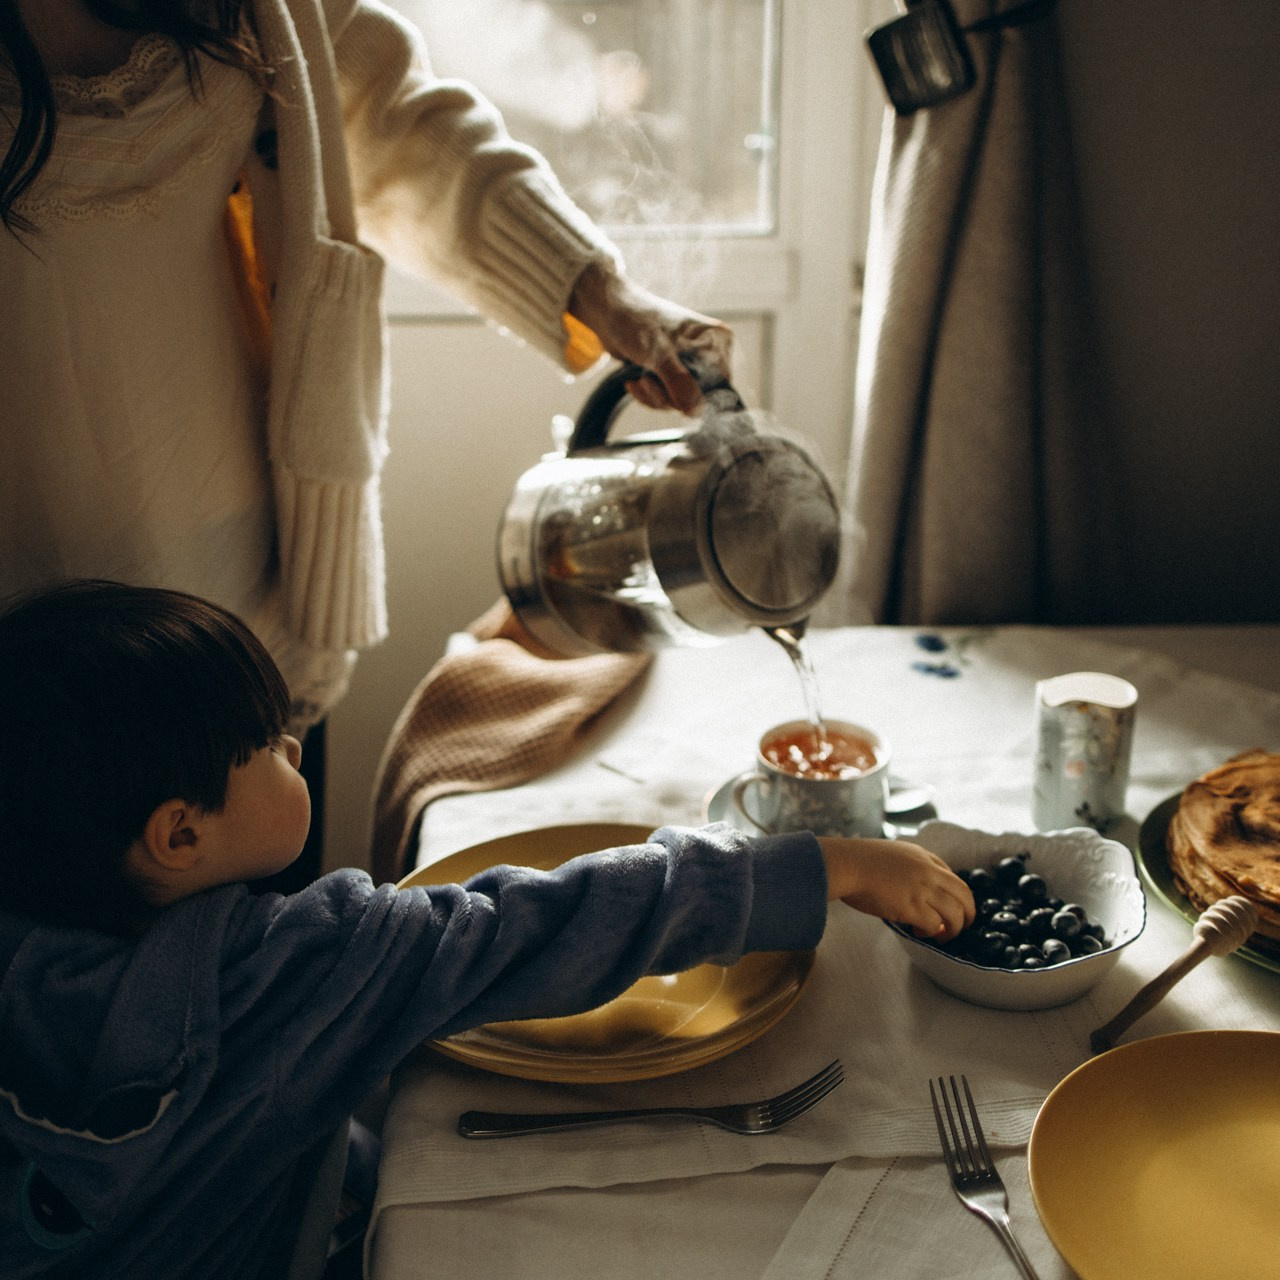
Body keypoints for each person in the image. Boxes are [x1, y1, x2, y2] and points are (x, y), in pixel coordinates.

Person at [0, 578, 974, 1279]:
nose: (293, 744)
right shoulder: (313, 958)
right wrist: (825, 865)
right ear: (179, 833)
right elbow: (553, 922)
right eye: (263, 746)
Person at [0, 0, 734, 887]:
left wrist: (605, 294)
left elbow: (406, 124)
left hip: (255, 591)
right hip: (33, 653)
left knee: (280, 968)